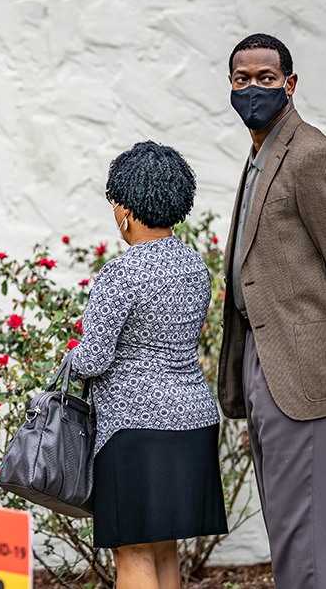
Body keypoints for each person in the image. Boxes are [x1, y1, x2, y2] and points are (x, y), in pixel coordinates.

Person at [218, 34, 326, 589]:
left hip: (306, 368)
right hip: (264, 358)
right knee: (289, 537)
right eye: (241, 79)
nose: (253, 89)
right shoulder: (261, 153)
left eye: (266, 78)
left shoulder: (311, 155)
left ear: (289, 85)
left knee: (307, 548)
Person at [65, 141, 227, 589]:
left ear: (127, 210)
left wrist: (69, 359)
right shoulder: (194, 265)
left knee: (132, 549)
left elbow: (94, 358)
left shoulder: (121, 273)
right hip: (192, 421)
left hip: (135, 431)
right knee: (163, 546)